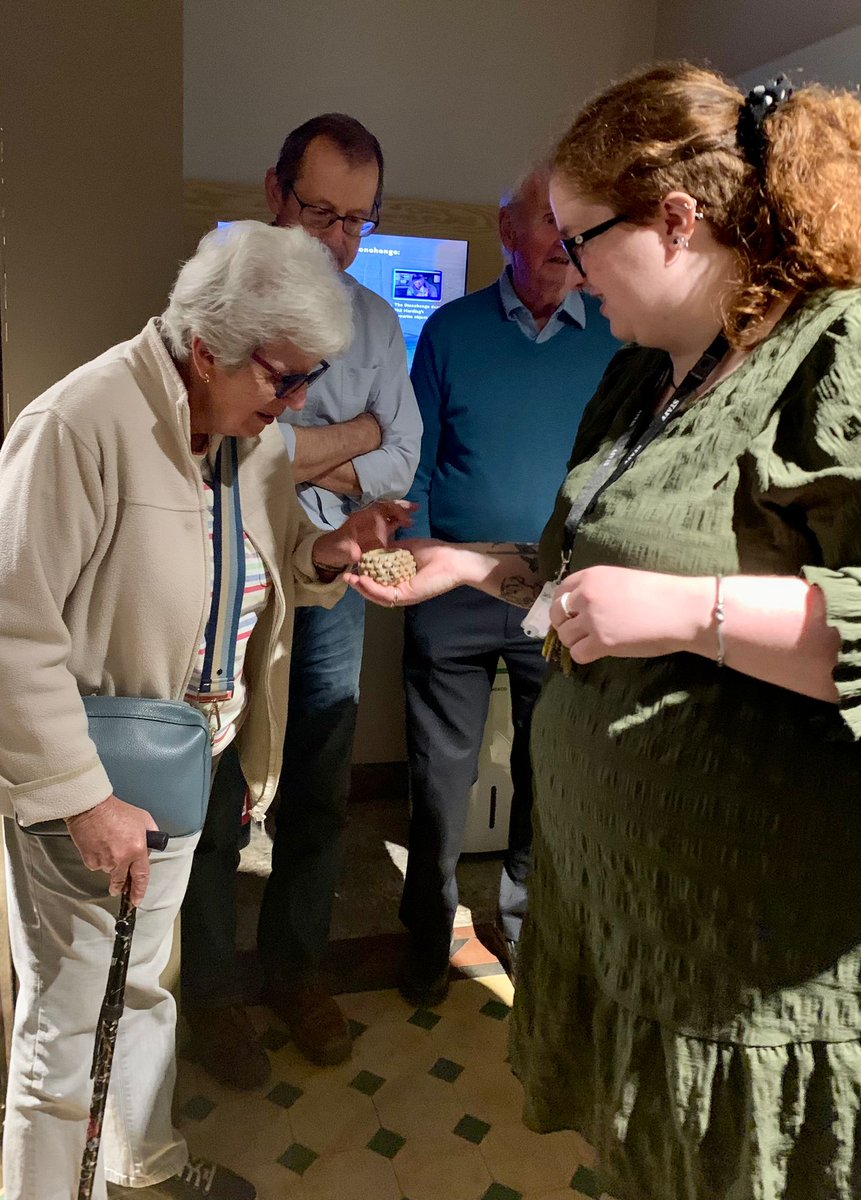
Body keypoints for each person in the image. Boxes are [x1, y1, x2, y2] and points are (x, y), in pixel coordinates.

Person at [349, 63, 861, 1200]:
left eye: (581, 238)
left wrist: (694, 612)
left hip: (752, 962)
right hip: (634, 936)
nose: (567, 267)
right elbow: (595, 583)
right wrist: (475, 566)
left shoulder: (836, 352)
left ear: (675, 221)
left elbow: (672, 600)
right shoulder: (642, 379)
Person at [0, 220, 411, 1200]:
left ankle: (141, 1169)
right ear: (204, 350)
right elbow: (11, 632)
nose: (301, 402)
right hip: (99, 791)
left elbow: (254, 571)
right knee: (65, 1033)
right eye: (287, 378)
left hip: (186, 772)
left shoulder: (249, 433)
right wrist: (86, 800)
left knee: (143, 990)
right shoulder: (80, 425)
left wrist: (327, 554)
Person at [180, 113, 421, 1082]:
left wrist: (316, 448)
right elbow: (230, 451)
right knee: (213, 793)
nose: (337, 238)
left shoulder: (375, 322)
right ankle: (212, 1000)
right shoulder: (211, 299)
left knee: (319, 792)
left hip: (329, 586)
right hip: (226, 584)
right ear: (273, 194)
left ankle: (297, 972)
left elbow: (402, 456)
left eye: (358, 220)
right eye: (319, 210)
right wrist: (349, 433)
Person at [398, 165, 618, 1007]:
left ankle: (522, 927)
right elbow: (412, 465)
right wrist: (415, 560)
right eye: (549, 227)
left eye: (576, 231)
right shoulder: (450, 331)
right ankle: (427, 934)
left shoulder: (608, 331)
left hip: (554, 593)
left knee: (545, 770)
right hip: (449, 598)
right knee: (438, 780)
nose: (566, 246)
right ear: (505, 231)